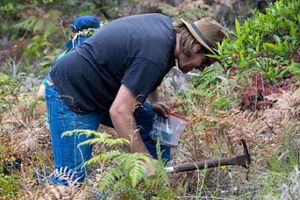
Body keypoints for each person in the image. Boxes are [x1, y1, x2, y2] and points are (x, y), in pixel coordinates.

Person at [45, 13, 228, 185]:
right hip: (72, 96)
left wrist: (154, 100)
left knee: (152, 125)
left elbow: (142, 67)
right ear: (196, 47)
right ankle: (144, 169)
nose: (202, 69)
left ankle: (151, 186)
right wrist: (144, 158)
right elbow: (119, 112)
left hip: (103, 91)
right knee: (69, 180)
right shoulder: (154, 54)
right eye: (205, 62)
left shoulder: (167, 31)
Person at [37, 16, 100, 99]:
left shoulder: (63, 57)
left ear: (73, 34)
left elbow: (41, 94)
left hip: (68, 109)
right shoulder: (109, 54)